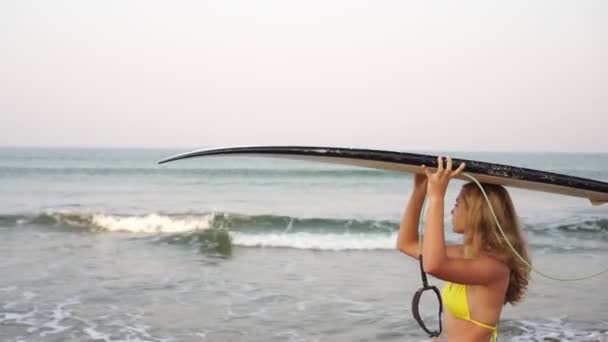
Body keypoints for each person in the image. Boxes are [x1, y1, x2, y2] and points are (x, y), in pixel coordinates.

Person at [397, 156, 531, 342]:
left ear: (476, 214)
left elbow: (433, 265)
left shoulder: (494, 268)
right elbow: (406, 243)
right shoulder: (466, 254)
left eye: (457, 204)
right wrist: (420, 191)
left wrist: (437, 197)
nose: (453, 211)